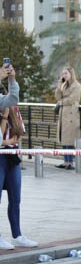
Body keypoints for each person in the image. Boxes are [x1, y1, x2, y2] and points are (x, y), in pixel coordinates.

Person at [0, 106, 36, 249]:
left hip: (12, 155)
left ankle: (17, 235)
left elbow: (19, 132)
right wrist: (4, 116)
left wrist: (8, 142)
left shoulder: (14, 108)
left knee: (15, 198)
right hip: (0, 155)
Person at [55, 66, 81, 168]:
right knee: (64, 137)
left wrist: (61, 102)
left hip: (71, 114)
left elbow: (71, 99)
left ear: (71, 74)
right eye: (63, 74)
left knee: (70, 138)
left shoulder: (77, 86)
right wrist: (59, 86)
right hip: (63, 113)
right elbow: (57, 97)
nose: (64, 75)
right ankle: (66, 161)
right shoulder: (64, 85)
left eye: (66, 73)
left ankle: (70, 161)